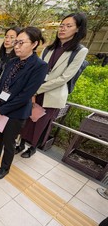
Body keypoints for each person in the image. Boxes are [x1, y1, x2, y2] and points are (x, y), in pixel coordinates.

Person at [0, 27, 48, 179]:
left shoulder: (39, 66)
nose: (16, 46)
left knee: (9, 142)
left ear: (34, 44)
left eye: (21, 43)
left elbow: (25, 96)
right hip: (0, 107)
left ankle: (5, 168)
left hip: (16, 113)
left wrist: (2, 110)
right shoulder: (12, 61)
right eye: (16, 42)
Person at [17, 13, 88, 158]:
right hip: (36, 91)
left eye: (68, 26)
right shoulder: (48, 48)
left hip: (52, 94)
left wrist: (36, 90)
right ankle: (21, 143)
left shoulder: (80, 51)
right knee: (28, 118)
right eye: (62, 25)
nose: (63, 29)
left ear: (77, 29)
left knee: (41, 123)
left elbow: (64, 78)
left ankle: (33, 147)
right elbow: (36, 70)